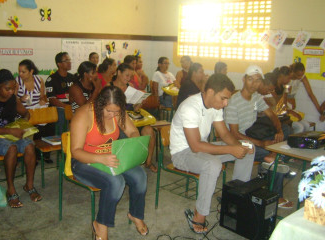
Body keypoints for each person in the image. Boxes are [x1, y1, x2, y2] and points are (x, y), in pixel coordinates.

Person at [170, 73, 254, 233]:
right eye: (223, 98)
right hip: (182, 154)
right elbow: (195, 146)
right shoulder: (190, 107)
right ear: (210, 92)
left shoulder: (215, 107)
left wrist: (239, 147)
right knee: (213, 164)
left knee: (248, 148)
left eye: (227, 99)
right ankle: (199, 215)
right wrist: (231, 149)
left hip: (202, 148)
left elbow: (224, 134)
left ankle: (236, 198)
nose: (226, 103)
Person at [71, 86, 148, 240]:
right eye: (109, 111)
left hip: (109, 158)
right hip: (84, 162)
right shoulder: (83, 115)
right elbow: (76, 151)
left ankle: (135, 214)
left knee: (140, 175)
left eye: (116, 112)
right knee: (115, 182)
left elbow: (133, 132)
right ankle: (101, 224)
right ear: (100, 105)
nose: (112, 115)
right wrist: (100, 158)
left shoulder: (117, 111)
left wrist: (132, 147)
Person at [225, 65, 293, 208]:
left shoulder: (256, 97)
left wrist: (279, 130)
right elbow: (234, 134)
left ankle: (271, 157)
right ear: (244, 79)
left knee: (286, 129)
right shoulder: (233, 102)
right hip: (238, 140)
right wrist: (262, 144)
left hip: (253, 134)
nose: (254, 84)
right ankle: (276, 195)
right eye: (250, 79)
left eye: (257, 80)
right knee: (275, 157)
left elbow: (272, 115)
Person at [0, 69, 42, 208]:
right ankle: (11, 189)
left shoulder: (13, 98)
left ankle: (29, 185)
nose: (11, 92)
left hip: (10, 134)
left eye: (13, 88)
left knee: (30, 145)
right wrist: (10, 130)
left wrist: (22, 124)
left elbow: (25, 113)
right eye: (7, 89)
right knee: (11, 148)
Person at [110, 64, 157, 172]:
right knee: (127, 134)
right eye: (126, 75)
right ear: (118, 72)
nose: (128, 78)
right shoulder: (110, 87)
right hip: (118, 121)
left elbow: (134, 108)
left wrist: (138, 103)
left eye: (130, 76)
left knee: (149, 131)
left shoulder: (130, 86)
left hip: (133, 119)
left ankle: (148, 162)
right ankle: (131, 162)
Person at [16, 59, 53, 164]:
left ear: (31, 71)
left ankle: (44, 152)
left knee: (48, 123)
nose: (20, 74)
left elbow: (42, 97)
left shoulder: (39, 80)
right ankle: (32, 155)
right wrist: (20, 99)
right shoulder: (17, 81)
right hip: (23, 111)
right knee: (33, 125)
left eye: (23, 72)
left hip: (36, 109)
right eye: (19, 71)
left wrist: (42, 100)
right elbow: (12, 99)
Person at [45, 52, 74, 135]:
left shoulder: (73, 77)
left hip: (71, 106)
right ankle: (62, 140)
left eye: (69, 60)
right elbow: (52, 100)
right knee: (62, 113)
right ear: (59, 64)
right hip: (59, 108)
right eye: (66, 60)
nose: (69, 62)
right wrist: (67, 107)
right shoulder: (52, 79)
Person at [288, 62, 321, 132]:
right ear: (292, 72)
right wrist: (290, 111)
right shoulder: (287, 78)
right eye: (298, 75)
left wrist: (320, 111)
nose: (300, 77)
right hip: (285, 107)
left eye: (302, 75)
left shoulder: (302, 77)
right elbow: (282, 99)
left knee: (306, 125)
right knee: (299, 127)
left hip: (291, 105)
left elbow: (311, 94)